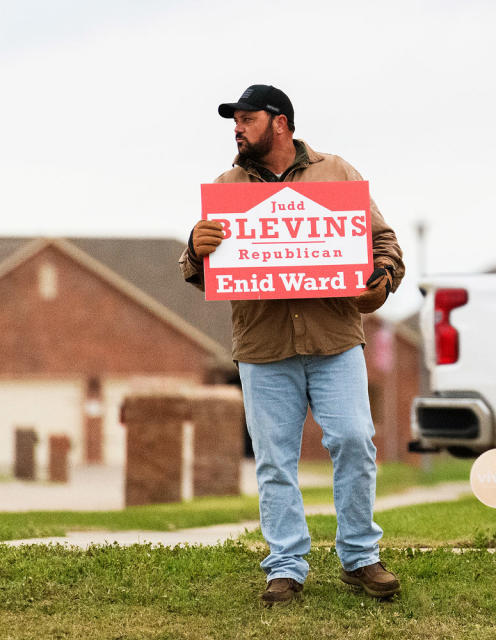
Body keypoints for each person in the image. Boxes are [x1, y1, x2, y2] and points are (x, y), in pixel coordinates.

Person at [179, 84, 405, 604]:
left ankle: (360, 557)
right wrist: (196, 250)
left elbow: (383, 242)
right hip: (264, 348)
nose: (236, 127)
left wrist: (382, 277)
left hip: (335, 340)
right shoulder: (226, 187)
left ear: (279, 122)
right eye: (233, 120)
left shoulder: (337, 173)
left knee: (353, 440)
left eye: (246, 118)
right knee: (274, 460)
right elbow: (199, 271)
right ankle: (285, 567)